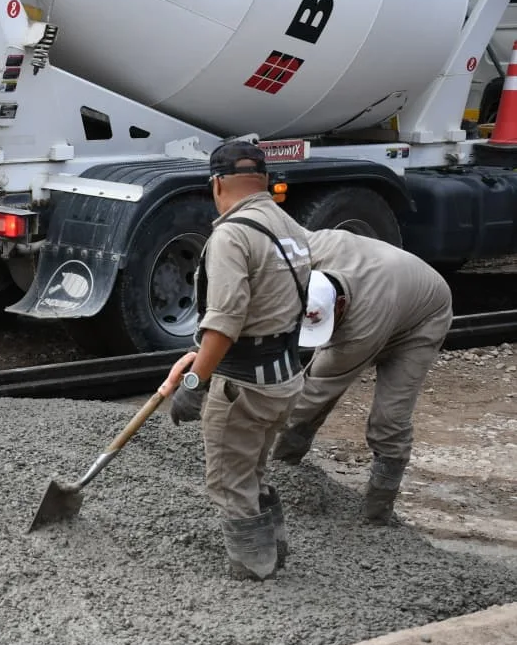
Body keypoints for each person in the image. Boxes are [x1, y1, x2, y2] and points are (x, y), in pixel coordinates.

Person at [168, 140, 312, 581]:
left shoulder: (232, 235)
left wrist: (194, 384)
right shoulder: (289, 226)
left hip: (244, 386)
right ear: (265, 180)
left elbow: (226, 323)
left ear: (216, 184)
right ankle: (273, 550)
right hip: (283, 377)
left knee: (229, 479)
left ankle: (254, 571)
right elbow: (271, 307)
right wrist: (205, 353)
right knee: (253, 467)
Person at [271, 229, 453, 525]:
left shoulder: (359, 332)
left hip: (423, 317)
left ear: (339, 306)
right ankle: (283, 466)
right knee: (312, 389)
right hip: (392, 286)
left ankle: (377, 514)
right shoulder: (312, 249)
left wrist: (260, 435)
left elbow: (314, 394)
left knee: (389, 418)